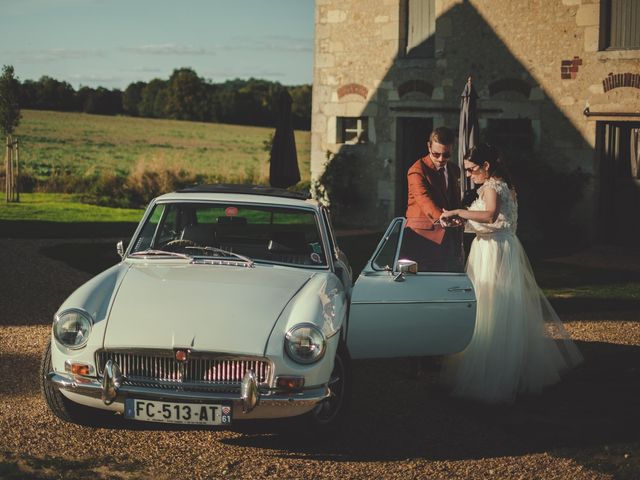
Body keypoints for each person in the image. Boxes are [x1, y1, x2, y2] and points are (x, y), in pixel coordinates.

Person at [440, 144, 583, 403]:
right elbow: (495, 223)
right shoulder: (503, 185)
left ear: (486, 166)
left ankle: (494, 374)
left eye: (472, 170)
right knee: (498, 308)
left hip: (495, 252)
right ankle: (511, 369)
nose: (469, 175)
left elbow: (492, 216)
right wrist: (465, 223)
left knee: (493, 308)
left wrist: (460, 211)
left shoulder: (493, 186)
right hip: (497, 246)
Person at [402, 126, 464, 272]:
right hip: (422, 238)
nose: (441, 159)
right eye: (436, 154)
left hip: (449, 237)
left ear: (452, 149)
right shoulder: (417, 170)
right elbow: (423, 198)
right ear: (429, 146)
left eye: (446, 154)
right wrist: (442, 217)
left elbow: (454, 201)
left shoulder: (454, 170)